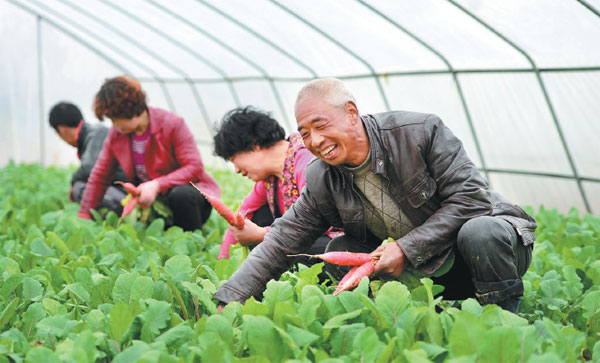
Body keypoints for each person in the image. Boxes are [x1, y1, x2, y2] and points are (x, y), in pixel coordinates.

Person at [213, 78, 536, 314]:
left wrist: (405, 249)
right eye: (305, 132)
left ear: (351, 112)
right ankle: (419, 316)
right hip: (427, 271)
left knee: (481, 229)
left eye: (320, 125)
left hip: (482, 256)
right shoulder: (322, 175)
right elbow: (283, 239)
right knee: (340, 248)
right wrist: (226, 300)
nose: (314, 140)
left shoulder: (419, 132)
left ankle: (503, 317)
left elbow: (471, 200)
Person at [78, 75, 220, 231]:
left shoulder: (172, 124)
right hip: (150, 203)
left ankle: (190, 238)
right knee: (112, 218)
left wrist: (157, 185)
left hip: (189, 202)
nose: (115, 125)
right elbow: (100, 175)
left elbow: (194, 167)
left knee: (181, 195)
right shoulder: (116, 135)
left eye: (116, 118)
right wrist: (85, 214)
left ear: (131, 110)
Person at [212, 106, 340, 261]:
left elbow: (316, 223)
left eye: (234, 160)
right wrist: (222, 263)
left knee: (299, 251)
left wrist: (262, 235)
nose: (237, 170)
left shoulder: (306, 162)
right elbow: (240, 215)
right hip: (303, 236)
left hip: (341, 241)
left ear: (254, 145)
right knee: (253, 219)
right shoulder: (270, 180)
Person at [49, 101, 128, 213]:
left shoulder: (96, 133)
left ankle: (114, 218)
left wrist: (73, 183)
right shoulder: (90, 135)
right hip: (120, 190)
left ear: (62, 129)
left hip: (128, 193)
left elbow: (89, 167)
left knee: (79, 188)